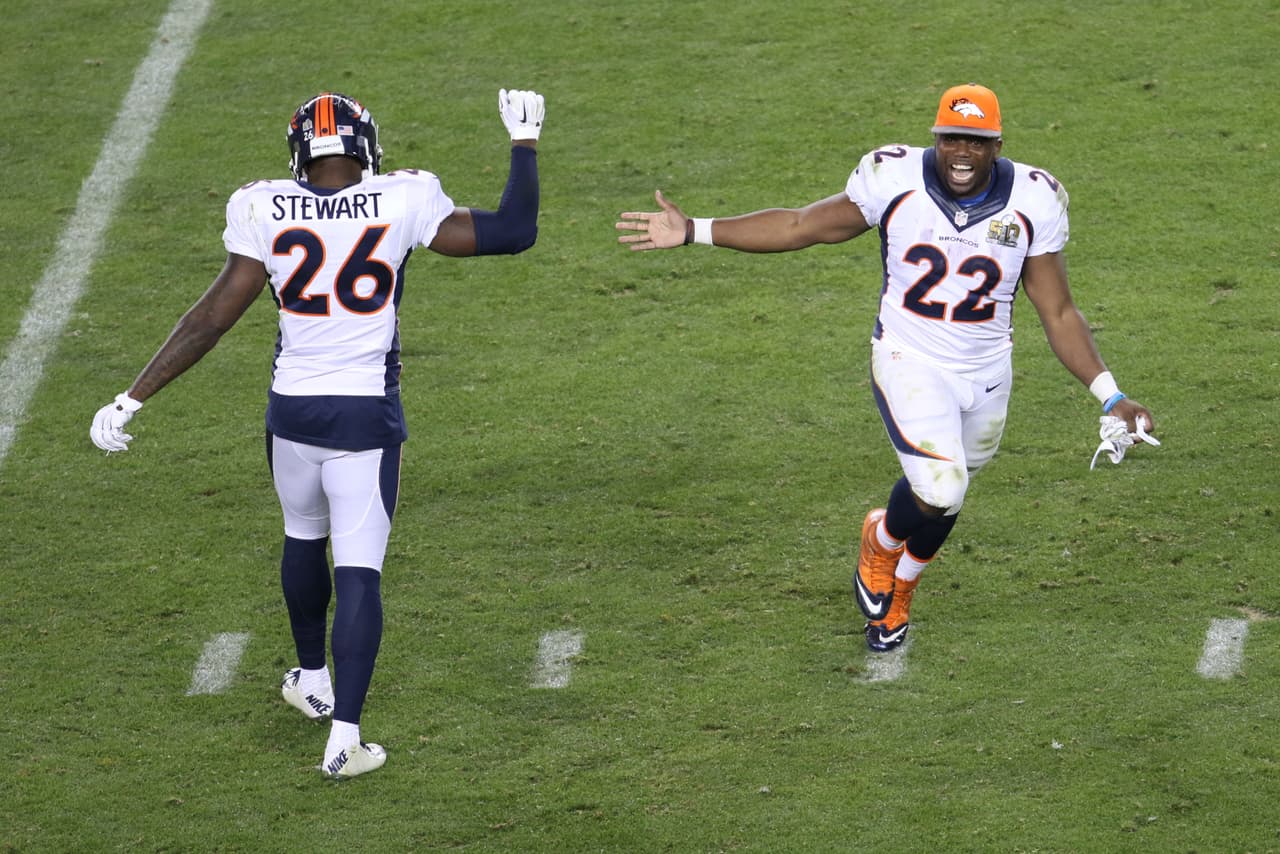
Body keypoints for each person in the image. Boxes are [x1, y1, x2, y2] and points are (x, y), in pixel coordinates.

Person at [91, 87, 546, 776]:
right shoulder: (404, 197)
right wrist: (523, 143)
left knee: (303, 535)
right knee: (359, 568)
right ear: (366, 147)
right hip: (363, 413)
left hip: (292, 412)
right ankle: (345, 739)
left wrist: (132, 396)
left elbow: (213, 316)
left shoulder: (260, 204)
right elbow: (514, 232)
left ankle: (311, 677)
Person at [616, 83, 1156, 653]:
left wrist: (1110, 395)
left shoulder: (1034, 199)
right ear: (936, 137)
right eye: (952, 139)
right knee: (941, 484)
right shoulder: (894, 178)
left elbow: (1059, 311)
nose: (962, 153)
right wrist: (696, 229)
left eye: (975, 141)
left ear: (997, 144)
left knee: (952, 487)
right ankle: (887, 559)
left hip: (987, 369)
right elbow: (802, 226)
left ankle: (894, 564)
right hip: (910, 357)